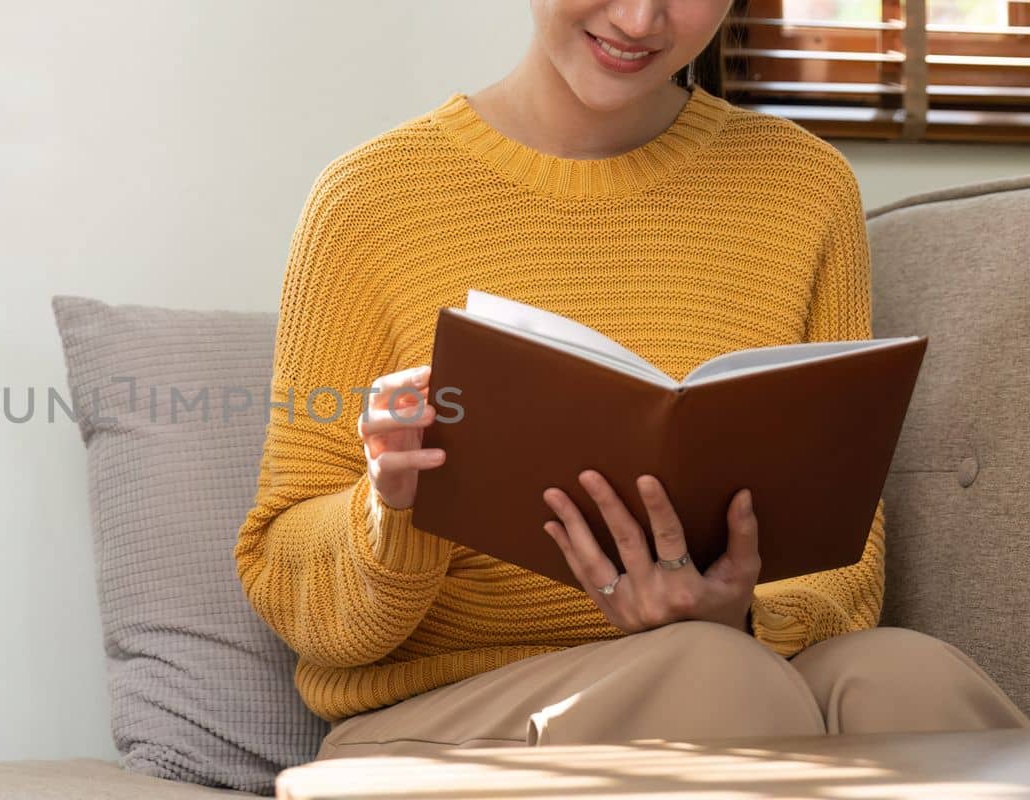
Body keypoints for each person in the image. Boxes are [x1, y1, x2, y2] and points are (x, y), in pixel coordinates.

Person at [232, 0, 1029, 759]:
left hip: (732, 675)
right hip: (439, 722)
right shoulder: (369, 201)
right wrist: (392, 509)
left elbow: (843, 550)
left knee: (905, 680)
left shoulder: (805, 189)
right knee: (712, 675)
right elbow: (290, 583)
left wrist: (738, 614)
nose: (640, 21)